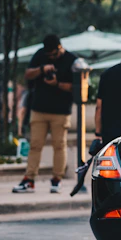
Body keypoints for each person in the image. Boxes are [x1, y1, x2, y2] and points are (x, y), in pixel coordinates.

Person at [13, 35, 77, 193]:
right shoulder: (40, 55)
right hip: (39, 108)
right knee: (35, 145)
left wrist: (57, 84)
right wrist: (42, 69)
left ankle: (57, 179)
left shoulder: (71, 60)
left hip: (61, 110)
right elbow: (28, 74)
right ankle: (29, 180)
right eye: (49, 55)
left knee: (59, 146)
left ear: (60, 48)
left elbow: (75, 87)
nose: (51, 57)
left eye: (54, 54)